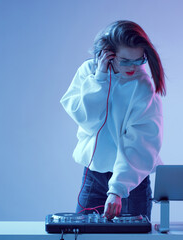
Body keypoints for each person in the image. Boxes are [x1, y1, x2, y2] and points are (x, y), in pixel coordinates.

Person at [60, 20, 166, 220]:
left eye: (139, 60)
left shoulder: (143, 87)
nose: (133, 68)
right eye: (125, 60)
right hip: (94, 175)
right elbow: (86, 119)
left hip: (133, 179)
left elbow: (140, 142)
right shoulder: (88, 72)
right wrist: (100, 78)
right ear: (108, 54)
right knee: (82, 234)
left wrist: (117, 189)